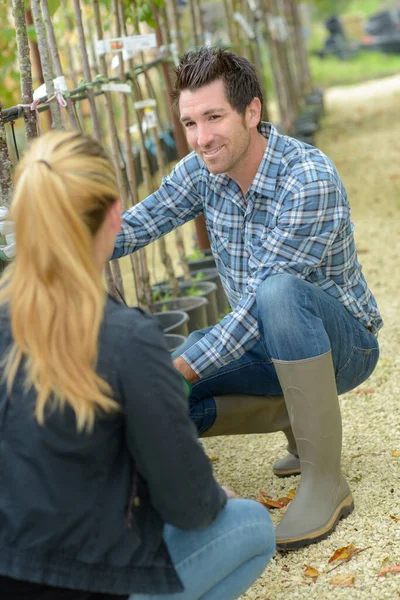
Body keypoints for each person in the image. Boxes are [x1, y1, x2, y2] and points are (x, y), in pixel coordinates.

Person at [111, 46, 383, 550]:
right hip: (259, 343)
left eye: (214, 117)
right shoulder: (202, 170)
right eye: (190, 123)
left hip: (342, 346)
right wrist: (54, 234)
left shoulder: (308, 179)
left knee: (277, 295)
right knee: (158, 400)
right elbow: (135, 225)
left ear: (251, 111)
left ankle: (326, 480)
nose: (201, 138)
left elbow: (260, 304)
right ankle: (297, 422)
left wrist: (183, 365)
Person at [0, 131, 275, 600]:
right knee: (250, 525)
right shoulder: (126, 338)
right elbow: (187, 505)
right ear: (113, 215)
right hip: (91, 581)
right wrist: (213, 498)